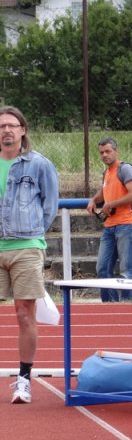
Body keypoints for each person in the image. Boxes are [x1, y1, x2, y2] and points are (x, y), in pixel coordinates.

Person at [0, 106, 59, 404]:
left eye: (12, 125)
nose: (6, 131)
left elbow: (50, 206)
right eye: (1, 126)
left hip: (25, 246)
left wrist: (33, 234)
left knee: (24, 314)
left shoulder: (38, 165)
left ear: (23, 130)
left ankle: (23, 379)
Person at [86, 138, 132, 302]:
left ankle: (128, 303)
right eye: (101, 152)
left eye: (108, 151)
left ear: (116, 151)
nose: (104, 155)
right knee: (102, 268)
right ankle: (109, 304)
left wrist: (110, 204)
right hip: (110, 225)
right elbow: (104, 191)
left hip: (127, 224)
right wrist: (93, 200)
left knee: (127, 268)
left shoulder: (125, 169)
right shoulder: (107, 173)